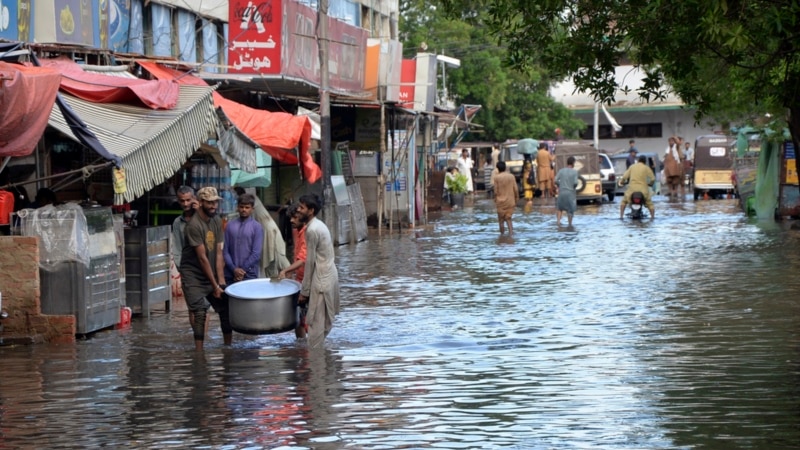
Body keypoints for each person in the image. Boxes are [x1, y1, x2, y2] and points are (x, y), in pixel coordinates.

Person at [180, 186, 231, 350]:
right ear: (200, 202)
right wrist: (214, 285)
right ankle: (199, 352)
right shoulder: (193, 225)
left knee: (225, 306)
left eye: (215, 202)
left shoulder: (216, 220)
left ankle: (228, 347)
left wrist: (220, 283)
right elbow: (202, 258)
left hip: (210, 271)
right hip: (193, 275)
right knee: (200, 311)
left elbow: (218, 252)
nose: (213, 206)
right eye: (209, 203)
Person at [296, 194, 340, 348]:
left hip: (321, 280)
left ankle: (317, 367)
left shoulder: (311, 230)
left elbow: (310, 261)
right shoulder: (320, 225)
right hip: (330, 276)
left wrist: (305, 291)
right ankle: (324, 366)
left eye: (302, 208)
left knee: (315, 329)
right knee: (324, 324)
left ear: (311, 210)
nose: (298, 210)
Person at [238, 187, 290, 278]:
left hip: (268, 231)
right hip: (270, 229)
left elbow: (249, 223)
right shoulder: (253, 199)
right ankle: (282, 277)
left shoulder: (251, 202)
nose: (244, 209)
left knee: (273, 258)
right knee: (275, 257)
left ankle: (284, 279)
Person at [279, 203, 308, 339]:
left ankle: (311, 351)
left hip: (310, 280)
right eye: (291, 217)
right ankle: (302, 348)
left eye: (295, 217)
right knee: (299, 317)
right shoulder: (296, 231)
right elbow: (297, 255)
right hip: (300, 279)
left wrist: (286, 270)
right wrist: (290, 274)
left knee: (307, 318)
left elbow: (303, 259)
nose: (291, 220)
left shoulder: (309, 232)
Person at [223, 193, 264, 285]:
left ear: (252, 209)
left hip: (249, 274)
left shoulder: (257, 227)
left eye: (247, 207)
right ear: (237, 207)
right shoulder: (230, 225)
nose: (244, 210)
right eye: (241, 207)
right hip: (230, 273)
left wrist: (241, 270)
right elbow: (225, 251)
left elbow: (256, 254)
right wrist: (234, 269)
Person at [619, 155, 656, 219]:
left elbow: (625, 177)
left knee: (624, 201)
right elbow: (652, 179)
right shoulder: (646, 168)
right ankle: (652, 217)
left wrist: (622, 182)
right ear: (645, 162)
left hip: (631, 191)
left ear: (638, 160)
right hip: (643, 191)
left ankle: (621, 216)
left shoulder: (632, 167)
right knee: (650, 204)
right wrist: (650, 184)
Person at [172, 186, 197, 269]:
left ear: (194, 199)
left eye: (188, 200)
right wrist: (180, 266)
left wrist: (200, 212)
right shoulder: (178, 222)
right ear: (178, 201)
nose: (185, 204)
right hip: (187, 266)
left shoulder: (203, 218)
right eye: (182, 201)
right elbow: (177, 247)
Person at [493, 161, 519, 235]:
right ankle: (511, 235)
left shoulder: (496, 178)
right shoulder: (511, 176)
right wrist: (516, 198)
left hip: (500, 202)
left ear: (498, 169)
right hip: (510, 201)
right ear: (505, 167)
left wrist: (495, 199)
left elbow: (495, 191)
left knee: (501, 221)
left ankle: (502, 237)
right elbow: (516, 189)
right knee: (509, 219)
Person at [554, 156, 579, 226]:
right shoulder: (575, 172)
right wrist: (573, 187)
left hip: (561, 192)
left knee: (559, 208)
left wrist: (560, 185)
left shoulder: (561, 171)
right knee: (570, 210)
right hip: (570, 193)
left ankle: (558, 222)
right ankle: (570, 224)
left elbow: (555, 180)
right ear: (573, 163)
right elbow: (575, 183)